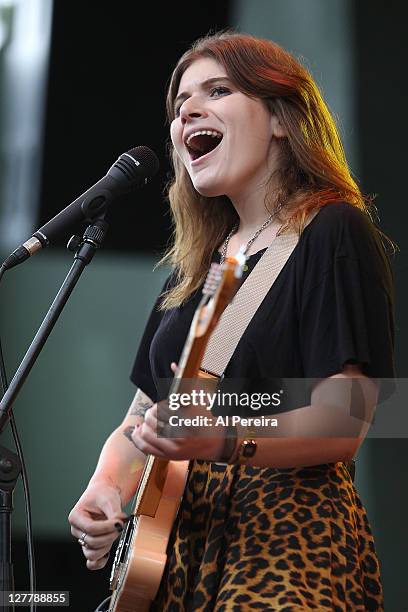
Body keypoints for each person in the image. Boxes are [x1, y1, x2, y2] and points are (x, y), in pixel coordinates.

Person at [68, 31, 395, 611]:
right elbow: (142, 418)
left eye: (218, 91)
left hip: (286, 543)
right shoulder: (197, 269)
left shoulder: (330, 231)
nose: (189, 109)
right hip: (177, 552)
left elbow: (347, 419)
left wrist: (223, 433)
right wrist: (106, 487)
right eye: (180, 103)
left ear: (279, 119)